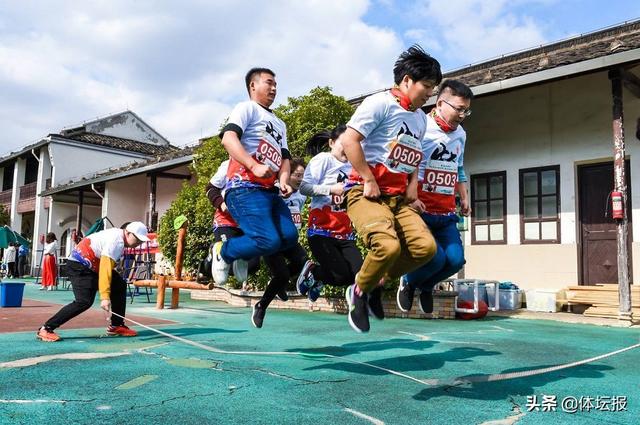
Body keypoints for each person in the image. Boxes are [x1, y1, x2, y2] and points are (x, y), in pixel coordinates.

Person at [341, 45, 442, 333]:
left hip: (398, 199)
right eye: (427, 86)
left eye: (434, 88)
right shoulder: (379, 104)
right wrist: (368, 179)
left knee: (425, 248)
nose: (430, 93)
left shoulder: (421, 118)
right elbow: (350, 141)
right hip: (365, 192)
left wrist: (413, 187)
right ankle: (358, 291)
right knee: (387, 246)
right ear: (407, 80)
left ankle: (376, 284)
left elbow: (413, 156)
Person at [214, 67, 298, 324]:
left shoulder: (280, 123)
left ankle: (239, 252)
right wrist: (253, 165)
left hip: (270, 191)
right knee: (269, 242)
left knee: (290, 235)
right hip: (244, 187)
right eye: (268, 83)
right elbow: (228, 139)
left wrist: (284, 180)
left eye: (276, 84)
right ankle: (225, 251)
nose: (274, 88)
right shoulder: (246, 108)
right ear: (253, 86)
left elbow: (285, 158)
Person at [398, 79, 473, 314]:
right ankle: (409, 282)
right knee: (435, 258)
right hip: (421, 208)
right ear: (440, 103)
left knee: (455, 260)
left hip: (446, 210)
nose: (462, 114)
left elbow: (458, 168)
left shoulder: (460, 134)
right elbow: (407, 162)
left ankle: (427, 286)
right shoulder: (422, 126)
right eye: (459, 109)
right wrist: (410, 195)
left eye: (466, 110)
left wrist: (464, 196)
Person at [36, 221, 149, 342]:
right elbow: (105, 269)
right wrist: (105, 297)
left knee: (119, 285)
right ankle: (46, 328)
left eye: (141, 241)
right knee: (84, 301)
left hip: (92, 266)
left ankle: (117, 325)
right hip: (79, 265)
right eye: (137, 239)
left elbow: (106, 267)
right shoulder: (117, 241)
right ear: (127, 232)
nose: (138, 243)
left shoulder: (119, 238)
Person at [296, 125, 363, 303]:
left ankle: (319, 278)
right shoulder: (324, 159)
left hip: (345, 232)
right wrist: (331, 189)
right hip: (322, 231)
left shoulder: (355, 165)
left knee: (357, 276)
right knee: (340, 276)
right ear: (332, 143)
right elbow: (304, 187)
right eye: (343, 143)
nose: (347, 149)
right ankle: (313, 272)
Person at [252, 158, 309, 327]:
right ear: (287, 174)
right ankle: (261, 306)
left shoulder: (302, 193)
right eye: (297, 175)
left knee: (302, 262)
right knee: (282, 274)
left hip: (290, 239)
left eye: (302, 175)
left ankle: (279, 285)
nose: (300, 178)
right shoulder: (274, 190)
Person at [205, 159, 261, 286]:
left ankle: (238, 255)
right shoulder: (228, 165)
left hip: (248, 224)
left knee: (254, 265)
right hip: (226, 221)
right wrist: (222, 204)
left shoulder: (262, 166)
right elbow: (210, 188)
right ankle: (218, 250)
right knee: (221, 278)